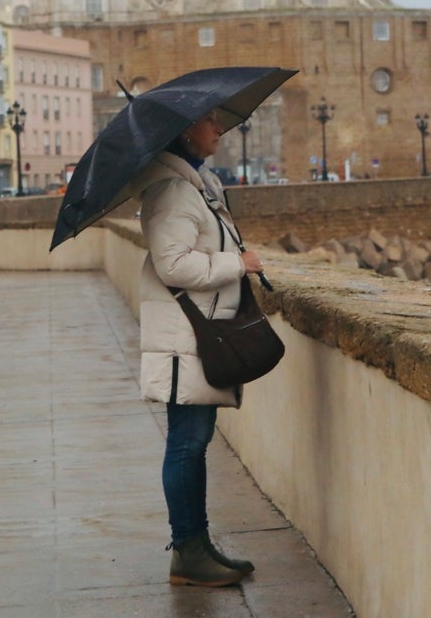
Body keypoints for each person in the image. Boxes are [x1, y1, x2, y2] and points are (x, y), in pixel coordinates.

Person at [132, 110, 265, 587]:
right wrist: (236, 263)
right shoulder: (173, 191)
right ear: (187, 129)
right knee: (187, 445)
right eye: (210, 121)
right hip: (186, 338)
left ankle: (196, 546)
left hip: (196, 336)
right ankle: (188, 550)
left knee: (193, 442)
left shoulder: (195, 185)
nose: (219, 128)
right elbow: (174, 266)